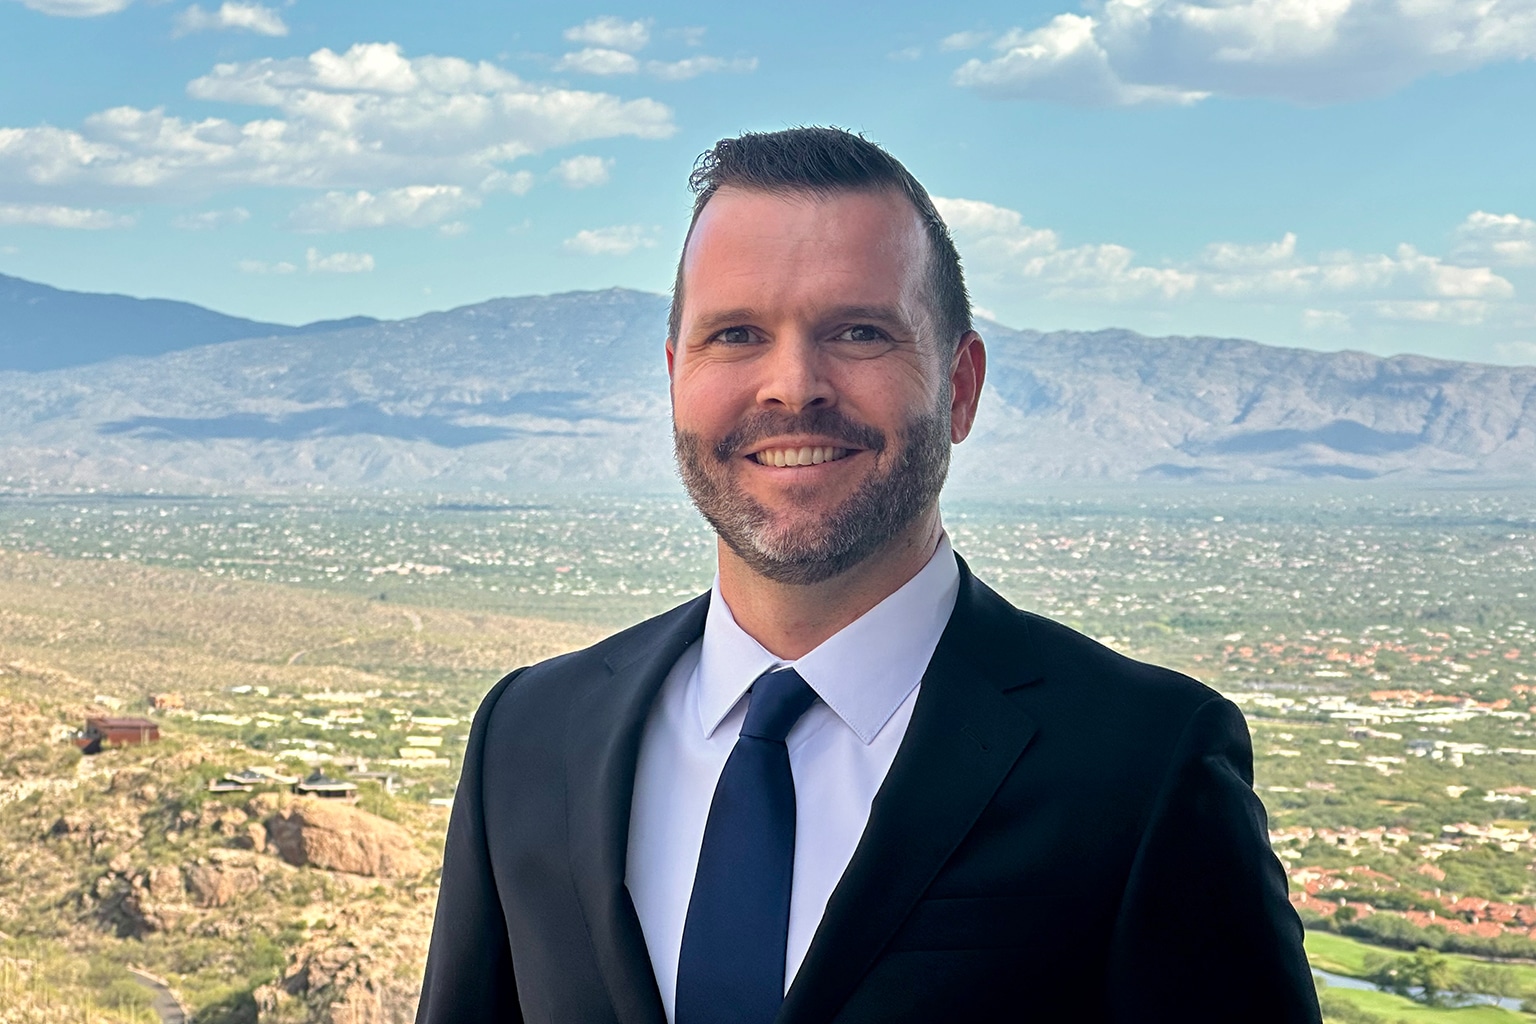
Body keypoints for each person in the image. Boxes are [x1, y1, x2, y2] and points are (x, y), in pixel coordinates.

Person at [417, 127, 1321, 1024]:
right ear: (673, 379)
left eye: (857, 331)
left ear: (959, 387)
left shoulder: (1144, 765)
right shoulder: (529, 737)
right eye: (734, 335)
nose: (791, 386)